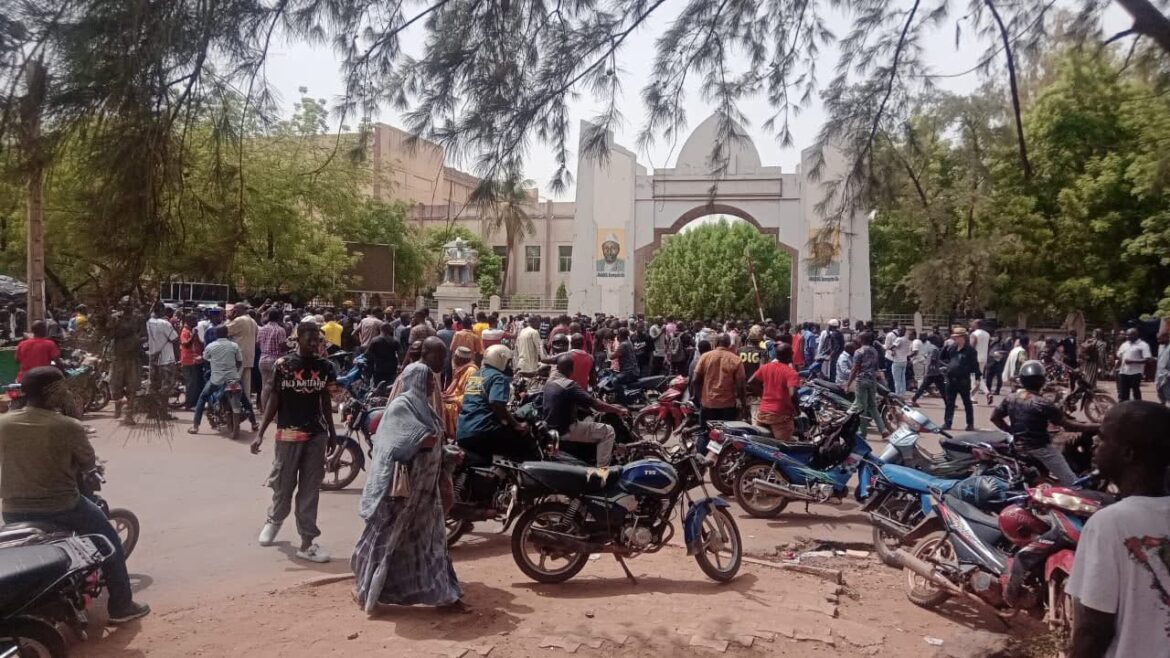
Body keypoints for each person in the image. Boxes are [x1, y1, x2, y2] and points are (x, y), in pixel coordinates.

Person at [0, 367, 151, 623]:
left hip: (13, 508)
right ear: (54, 392)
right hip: (62, 506)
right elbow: (87, 462)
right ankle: (122, 606)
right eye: (63, 388)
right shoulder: (67, 426)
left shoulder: (4, 423)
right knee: (110, 541)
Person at [352, 360, 463, 613]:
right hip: (401, 495)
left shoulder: (426, 408)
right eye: (426, 380)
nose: (431, 385)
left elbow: (432, 442)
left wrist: (446, 452)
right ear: (415, 381)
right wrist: (425, 440)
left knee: (431, 544)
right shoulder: (402, 406)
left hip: (426, 494)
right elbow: (397, 445)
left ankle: (443, 594)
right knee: (386, 542)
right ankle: (367, 589)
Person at [1068, 401, 1170, 658]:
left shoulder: (1109, 525)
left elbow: (1093, 632)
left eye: (1102, 439)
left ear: (1128, 453)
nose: (1094, 446)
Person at [251, 322, 336, 563]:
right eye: (309, 338)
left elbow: (326, 400)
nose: (314, 343)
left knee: (310, 489)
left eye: (317, 339)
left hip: (316, 434)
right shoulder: (284, 365)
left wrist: (330, 431)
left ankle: (307, 542)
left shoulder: (325, 367)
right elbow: (274, 399)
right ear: (297, 339)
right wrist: (261, 433)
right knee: (283, 483)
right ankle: (275, 519)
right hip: (288, 433)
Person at [990, 360, 1097, 485]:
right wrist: (1097, 426)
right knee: (1073, 482)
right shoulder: (1043, 403)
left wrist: (1012, 431)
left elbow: (994, 418)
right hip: (1040, 449)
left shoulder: (1011, 398)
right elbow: (1069, 425)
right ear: (1042, 381)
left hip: (1017, 446)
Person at [456, 345, 537, 462]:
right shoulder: (498, 377)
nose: (508, 365)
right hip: (483, 431)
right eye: (508, 361)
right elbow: (496, 403)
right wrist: (516, 424)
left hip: (463, 431)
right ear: (501, 359)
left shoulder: (475, 376)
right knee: (524, 443)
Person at [543, 355, 627, 466]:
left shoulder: (549, 382)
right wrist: (617, 410)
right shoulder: (569, 386)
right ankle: (603, 472)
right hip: (566, 429)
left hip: (551, 427)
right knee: (608, 431)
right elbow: (597, 405)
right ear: (571, 369)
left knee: (589, 420)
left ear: (557, 368)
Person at [189, 326, 258, 434]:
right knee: (244, 399)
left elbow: (205, 359)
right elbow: (239, 362)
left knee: (202, 397)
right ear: (227, 334)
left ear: (215, 334)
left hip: (217, 379)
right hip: (233, 378)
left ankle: (195, 426)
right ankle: (254, 423)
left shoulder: (210, 346)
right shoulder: (234, 346)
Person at [693, 333, 747, 443]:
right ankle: (720, 459)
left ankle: (702, 458)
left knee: (705, 434)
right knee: (726, 437)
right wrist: (743, 404)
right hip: (727, 406)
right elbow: (741, 385)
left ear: (716, 343)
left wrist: (699, 398)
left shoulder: (705, 357)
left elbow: (695, 380)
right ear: (729, 345)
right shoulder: (736, 359)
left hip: (708, 403)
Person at [751, 343, 801, 440]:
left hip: (762, 413)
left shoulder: (766, 367)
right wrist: (797, 410)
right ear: (790, 355)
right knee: (784, 447)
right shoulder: (791, 373)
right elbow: (793, 394)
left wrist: (762, 395)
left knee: (761, 442)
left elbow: (751, 382)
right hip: (780, 416)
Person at [939, 327, 981, 431]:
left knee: (966, 402)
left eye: (956, 337)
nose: (954, 339)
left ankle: (970, 424)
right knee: (949, 402)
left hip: (963, 379)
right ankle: (947, 422)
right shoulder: (952, 348)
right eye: (954, 337)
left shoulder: (970, 350)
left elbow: (975, 365)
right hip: (951, 378)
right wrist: (945, 346)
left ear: (962, 337)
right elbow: (942, 357)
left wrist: (977, 377)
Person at [108, 301, 143, 424]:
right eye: (125, 305)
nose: (128, 308)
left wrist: (138, 340)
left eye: (130, 305)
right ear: (121, 306)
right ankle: (118, 402)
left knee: (132, 387)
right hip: (118, 357)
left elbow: (142, 333)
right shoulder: (115, 318)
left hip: (132, 357)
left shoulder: (138, 318)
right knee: (115, 387)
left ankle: (129, 414)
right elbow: (110, 334)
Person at [846, 332, 887, 436]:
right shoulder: (874, 351)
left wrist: (848, 383)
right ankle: (883, 429)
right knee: (872, 406)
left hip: (862, 380)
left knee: (861, 407)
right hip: (872, 380)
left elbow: (855, 369)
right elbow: (876, 367)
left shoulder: (859, 351)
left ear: (862, 339)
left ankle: (863, 432)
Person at [145, 303, 179, 419]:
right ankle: (163, 413)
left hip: (153, 357)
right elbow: (175, 338)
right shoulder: (164, 323)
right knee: (166, 386)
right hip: (166, 358)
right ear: (160, 310)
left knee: (153, 385)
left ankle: (152, 412)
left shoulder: (148, 322)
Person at [257, 308, 289, 412]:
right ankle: (274, 412)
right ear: (279, 317)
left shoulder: (262, 329)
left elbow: (257, 343)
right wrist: (291, 346)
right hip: (276, 361)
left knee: (264, 386)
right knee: (275, 388)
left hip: (263, 360)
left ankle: (265, 409)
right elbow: (282, 346)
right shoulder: (280, 330)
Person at [442, 346, 478, 437]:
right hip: (455, 399)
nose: (453, 359)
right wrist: (447, 395)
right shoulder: (461, 369)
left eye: (455, 357)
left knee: (442, 408)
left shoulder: (473, 371)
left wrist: (454, 399)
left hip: (461, 405)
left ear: (459, 359)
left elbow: (473, 396)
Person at [226, 303, 259, 401]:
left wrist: (229, 318)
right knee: (246, 385)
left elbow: (224, 330)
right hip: (249, 356)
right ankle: (246, 405)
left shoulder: (239, 320)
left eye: (234, 310)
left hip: (238, 356)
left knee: (233, 383)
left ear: (238, 310)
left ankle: (233, 405)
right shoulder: (253, 321)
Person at [1115, 328, 1152, 402]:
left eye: (1129, 335)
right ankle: (1124, 410)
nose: (1127, 337)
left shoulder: (1143, 345)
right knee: (1123, 394)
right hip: (1123, 372)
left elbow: (1148, 359)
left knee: (1136, 392)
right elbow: (1120, 357)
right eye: (1127, 335)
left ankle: (1138, 409)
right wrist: (1114, 368)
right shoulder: (1124, 344)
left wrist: (1132, 361)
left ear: (1135, 335)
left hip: (1136, 373)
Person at [179, 314, 205, 410]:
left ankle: (194, 403)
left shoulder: (193, 331)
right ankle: (189, 405)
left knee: (196, 383)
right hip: (188, 361)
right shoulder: (185, 331)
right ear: (189, 321)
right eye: (195, 319)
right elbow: (185, 344)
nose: (197, 322)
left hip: (196, 360)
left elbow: (199, 343)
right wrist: (193, 335)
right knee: (191, 383)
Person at [608, 328, 640, 404]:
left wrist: (608, 347)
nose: (617, 337)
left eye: (617, 335)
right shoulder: (628, 342)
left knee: (615, 381)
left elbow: (611, 356)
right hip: (632, 370)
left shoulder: (623, 345)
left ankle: (623, 402)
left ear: (620, 335)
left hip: (629, 372)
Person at [970, 319, 991, 400]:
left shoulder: (974, 334)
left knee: (973, 378)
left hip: (975, 358)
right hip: (984, 358)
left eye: (973, 323)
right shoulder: (987, 334)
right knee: (978, 377)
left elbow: (972, 347)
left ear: (977, 325)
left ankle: (974, 398)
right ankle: (986, 393)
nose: (972, 324)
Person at [889, 328, 911, 396]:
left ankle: (897, 393)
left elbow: (891, 347)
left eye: (899, 330)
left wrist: (889, 347)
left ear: (902, 331)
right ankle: (902, 392)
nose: (898, 332)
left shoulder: (899, 339)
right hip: (904, 361)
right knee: (902, 378)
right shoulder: (907, 339)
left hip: (897, 361)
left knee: (897, 379)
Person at [1157, 333, 1170, 405]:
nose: (1158, 341)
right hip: (1160, 376)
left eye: (1160, 339)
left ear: (1167, 337)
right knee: (1161, 396)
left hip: (1168, 376)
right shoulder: (1160, 347)